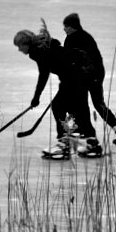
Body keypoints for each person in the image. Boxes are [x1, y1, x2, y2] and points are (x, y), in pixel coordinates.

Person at [14, 28, 101, 160]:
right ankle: (92, 144)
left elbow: (44, 74)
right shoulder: (42, 46)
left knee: (58, 106)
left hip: (76, 75)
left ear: (26, 44)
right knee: (78, 108)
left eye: (19, 46)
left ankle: (64, 145)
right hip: (82, 72)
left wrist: (36, 97)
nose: (19, 50)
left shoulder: (37, 51)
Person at [60, 13, 116, 139]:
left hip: (88, 76)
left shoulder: (74, 39)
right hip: (93, 75)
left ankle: (77, 129)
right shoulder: (84, 37)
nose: (64, 29)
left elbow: (73, 61)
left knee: (81, 103)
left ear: (72, 27)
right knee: (95, 103)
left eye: (66, 26)